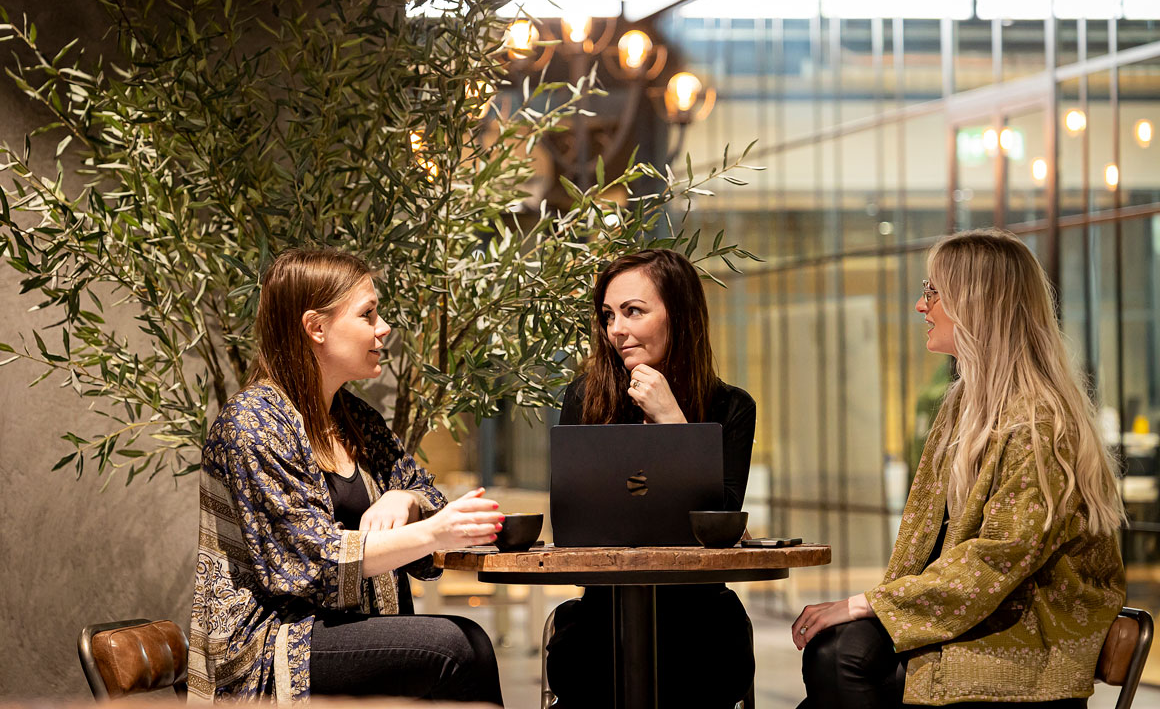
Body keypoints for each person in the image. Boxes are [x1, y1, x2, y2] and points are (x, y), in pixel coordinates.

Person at [792, 228, 1126, 708]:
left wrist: (867, 603)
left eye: (933, 292)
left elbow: (998, 558)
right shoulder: (963, 405)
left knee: (839, 659)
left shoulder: (1041, 424)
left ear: (977, 304)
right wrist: (875, 605)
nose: (921, 306)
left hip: (1022, 637)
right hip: (971, 614)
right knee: (833, 652)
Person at [190, 248, 505, 705]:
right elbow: (311, 564)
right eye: (368, 314)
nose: (384, 327)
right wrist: (433, 532)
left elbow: (422, 488)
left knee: (467, 643)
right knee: (454, 646)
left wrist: (405, 499)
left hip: (340, 628)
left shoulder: (354, 418)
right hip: (270, 646)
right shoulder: (252, 423)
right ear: (316, 328)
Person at [546, 248, 757, 709]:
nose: (616, 329)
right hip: (604, 616)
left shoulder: (730, 407)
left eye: (633, 311)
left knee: (708, 664)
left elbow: (720, 522)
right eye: (609, 315)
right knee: (579, 664)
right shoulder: (584, 397)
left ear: (678, 315)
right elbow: (572, 521)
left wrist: (672, 421)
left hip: (701, 619)